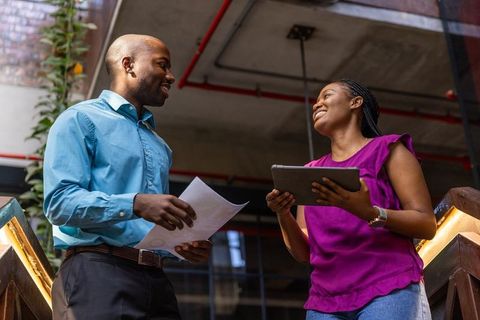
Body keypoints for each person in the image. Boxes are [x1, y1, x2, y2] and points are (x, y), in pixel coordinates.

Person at [43, 34, 212, 320]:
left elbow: (152, 224)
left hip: (156, 280)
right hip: (97, 274)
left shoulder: (160, 146)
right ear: (128, 64)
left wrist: (181, 246)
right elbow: (60, 203)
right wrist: (135, 203)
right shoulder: (80, 119)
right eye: (163, 65)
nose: (171, 76)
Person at [266, 79, 437, 320]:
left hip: (387, 288)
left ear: (355, 102)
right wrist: (282, 213)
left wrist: (370, 212)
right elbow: (304, 253)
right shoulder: (310, 171)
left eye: (327, 95)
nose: (317, 104)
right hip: (324, 302)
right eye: (316, 100)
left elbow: (426, 224)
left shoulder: (389, 150)